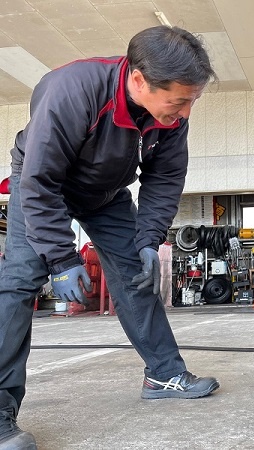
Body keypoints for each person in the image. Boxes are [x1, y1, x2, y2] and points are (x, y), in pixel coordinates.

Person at [0, 26, 219, 449]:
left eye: (192, 100)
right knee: (18, 283)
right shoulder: (72, 91)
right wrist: (61, 259)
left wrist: (148, 239)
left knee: (137, 275)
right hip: (42, 183)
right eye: (178, 101)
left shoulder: (170, 116)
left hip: (105, 194)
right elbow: (41, 180)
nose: (186, 112)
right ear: (139, 80)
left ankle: (163, 373)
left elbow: (165, 178)